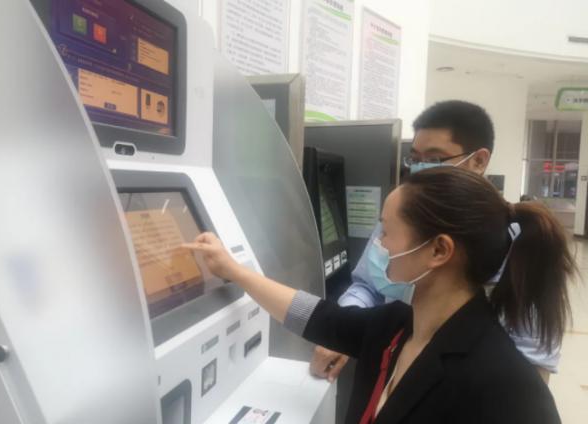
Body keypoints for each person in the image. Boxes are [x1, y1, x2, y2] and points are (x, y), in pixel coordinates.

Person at [184, 167, 573, 423]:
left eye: (386, 231)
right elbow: (318, 317)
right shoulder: (397, 327)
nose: (377, 244)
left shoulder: (505, 384)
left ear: (439, 250)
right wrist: (233, 270)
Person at [311, 100, 557, 384]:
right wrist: (345, 325)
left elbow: (533, 371)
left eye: (435, 159)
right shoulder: (397, 217)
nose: (421, 169)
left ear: (478, 161)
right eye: (415, 158)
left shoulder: (515, 244)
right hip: (392, 373)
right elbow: (367, 286)